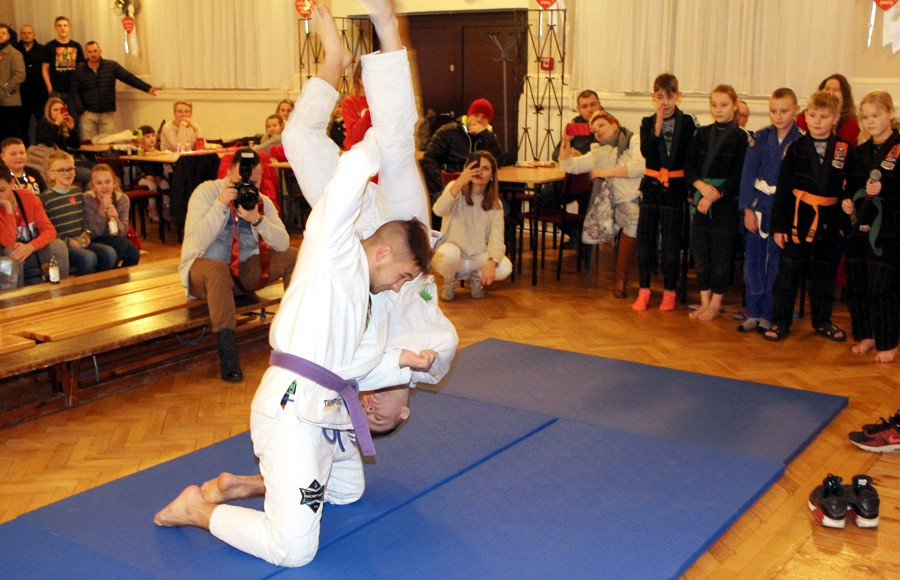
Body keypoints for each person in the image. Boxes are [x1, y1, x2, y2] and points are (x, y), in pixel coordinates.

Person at [154, 1, 441, 567]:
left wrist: (404, 365)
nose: (403, 283)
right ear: (389, 254)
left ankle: (267, 484)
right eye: (405, 275)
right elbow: (386, 146)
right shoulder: (340, 243)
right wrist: (383, 32)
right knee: (295, 550)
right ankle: (200, 509)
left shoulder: (370, 285)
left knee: (350, 490)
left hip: (328, 394)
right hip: (296, 401)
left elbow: (368, 353)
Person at [179, 148, 296, 382]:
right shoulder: (207, 192)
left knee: (293, 255)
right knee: (217, 270)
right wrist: (221, 205)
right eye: (243, 178)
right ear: (230, 171)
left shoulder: (260, 201)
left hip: (241, 274)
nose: (249, 184)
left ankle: (295, 336)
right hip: (204, 272)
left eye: (255, 179)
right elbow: (199, 241)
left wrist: (258, 220)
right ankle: (228, 354)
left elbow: (283, 243)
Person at [763, 91, 851, 342]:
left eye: (823, 117)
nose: (817, 121)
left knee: (824, 277)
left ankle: (823, 321)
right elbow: (783, 190)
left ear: (834, 118)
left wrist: (846, 218)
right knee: (787, 275)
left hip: (830, 224)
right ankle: (781, 321)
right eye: (812, 115)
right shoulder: (797, 148)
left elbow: (850, 188)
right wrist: (778, 226)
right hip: (796, 223)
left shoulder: (844, 149)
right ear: (805, 115)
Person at [737, 88, 803, 333]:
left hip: (784, 210)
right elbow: (748, 176)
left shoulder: (800, 141)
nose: (778, 116)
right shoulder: (760, 138)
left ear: (796, 110)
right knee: (753, 261)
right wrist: (747, 209)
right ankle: (754, 311)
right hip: (759, 205)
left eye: (784, 111)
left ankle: (769, 312)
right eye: (774, 111)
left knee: (776, 263)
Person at [560, 110, 644, 298]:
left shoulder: (633, 140)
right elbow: (568, 166)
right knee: (634, 220)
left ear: (615, 124)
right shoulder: (597, 152)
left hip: (646, 195)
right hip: (622, 200)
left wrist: (606, 172)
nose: (597, 131)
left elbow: (640, 167)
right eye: (593, 129)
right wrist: (566, 141)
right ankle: (620, 277)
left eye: (601, 125)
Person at [632, 73, 697, 312]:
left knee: (670, 243)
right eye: (660, 97)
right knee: (645, 240)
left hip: (675, 187)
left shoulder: (688, 122)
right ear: (653, 97)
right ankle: (644, 289)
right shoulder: (647, 122)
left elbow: (690, 158)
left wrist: (690, 188)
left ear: (678, 96)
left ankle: (670, 291)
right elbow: (648, 152)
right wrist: (657, 126)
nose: (665, 102)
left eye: (670, 97)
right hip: (651, 186)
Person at [684, 84, 749, 321]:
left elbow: (740, 173)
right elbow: (689, 166)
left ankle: (716, 303)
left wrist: (715, 194)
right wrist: (700, 187)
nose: (718, 110)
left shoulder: (741, 137)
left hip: (725, 202)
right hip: (701, 195)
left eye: (724, 105)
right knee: (701, 254)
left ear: (735, 106)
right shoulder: (701, 134)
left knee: (721, 256)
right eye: (714, 105)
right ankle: (704, 301)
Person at [842, 91, 900, 363]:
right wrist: (847, 203)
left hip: (889, 229)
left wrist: (885, 187)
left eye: (875, 115)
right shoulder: (860, 151)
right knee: (858, 284)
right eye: (865, 117)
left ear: (890, 113)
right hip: (859, 227)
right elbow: (851, 185)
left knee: (881, 287)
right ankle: (866, 334)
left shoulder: (899, 147)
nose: (870, 122)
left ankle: (889, 341)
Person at [432, 150, 513, 300]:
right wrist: (460, 181)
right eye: (477, 166)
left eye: (486, 168)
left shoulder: (496, 204)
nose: (480, 171)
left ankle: (476, 279)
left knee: (504, 267)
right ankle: (450, 280)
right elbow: (438, 210)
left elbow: (497, 239)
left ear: (492, 176)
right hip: (454, 257)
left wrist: (492, 262)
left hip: (477, 258)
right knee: (448, 253)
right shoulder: (455, 188)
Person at [39, 150, 116, 275]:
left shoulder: (77, 192)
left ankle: (98, 286)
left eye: (70, 169)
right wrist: (68, 241)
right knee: (88, 258)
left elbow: (83, 220)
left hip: (81, 241)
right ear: (51, 174)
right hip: (65, 246)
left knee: (109, 253)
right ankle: (79, 289)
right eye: (62, 170)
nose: (67, 173)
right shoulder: (45, 198)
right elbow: (45, 230)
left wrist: (87, 232)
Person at [421, 96, 507, 205]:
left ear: (488, 122)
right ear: (469, 116)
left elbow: (499, 161)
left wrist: (486, 135)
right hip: (447, 187)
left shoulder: (489, 137)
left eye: (484, 117)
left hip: (477, 190)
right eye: (476, 115)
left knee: (503, 207)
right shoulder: (448, 131)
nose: (479, 120)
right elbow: (429, 159)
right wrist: (444, 183)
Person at [70, 41, 158, 141]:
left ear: (100, 51)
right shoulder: (80, 69)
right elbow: (74, 91)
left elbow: (128, 77)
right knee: (91, 144)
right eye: (90, 52)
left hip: (107, 113)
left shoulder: (111, 66)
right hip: (88, 114)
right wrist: (82, 110)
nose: (93, 54)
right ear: (86, 53)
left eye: (95, 51)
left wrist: (147, 88)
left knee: (108, 142)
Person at [0, 161, 69, 287]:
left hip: (31, 251)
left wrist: (30, 247)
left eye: (2, 190)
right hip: (9, 256)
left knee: (58, 246)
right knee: (13, 253)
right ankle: (18, 301)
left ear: (12, 184)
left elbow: (50, 231)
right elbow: (8, 243)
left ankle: (62, 290)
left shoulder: (28, 197)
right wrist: (8, 209)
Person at [82, 163, 141, 269]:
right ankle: (106, 278)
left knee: (133, 253)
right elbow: (93, 232)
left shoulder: (123, 199)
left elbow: (122, 232)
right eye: (99, 183)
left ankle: (120, 279)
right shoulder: (87, 199)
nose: (104, 187)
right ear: (92, 186)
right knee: (117, 247)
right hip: (95, 239)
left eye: (108, 182)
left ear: (115, 183)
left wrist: (115, 218)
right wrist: (101, 212)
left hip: (116, 238)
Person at [41, 16, 84, 137]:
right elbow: (44, 69)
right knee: (57, 121)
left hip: (74, 91)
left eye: (65, 25)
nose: (62, 28)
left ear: (69, 27)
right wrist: (50, 89)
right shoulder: (49, 46)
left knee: (74, 121)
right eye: (59, 25)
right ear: (55, 28)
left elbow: (81, 68)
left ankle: (75, 148)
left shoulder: (76, 46)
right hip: (57, 91)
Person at [797, 74, 860, 145]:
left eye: (836, 90)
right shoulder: (796, 146)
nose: (830, 93)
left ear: (836, 118)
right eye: (827, 89)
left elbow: (844, 153)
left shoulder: (850, 122)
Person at [15, 24, 48, 147]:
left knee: (42, 124)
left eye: (29, 33)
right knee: (22, 126)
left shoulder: (42, 50)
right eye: (24, 33)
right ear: (20, 34)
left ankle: (42, 150)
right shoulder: (15, 50)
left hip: (40, 93)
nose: (26, 35)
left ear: (33, 34)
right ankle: (25, 151)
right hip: (21, 93)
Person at [552, 89, 604, 161]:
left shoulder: (609, 123)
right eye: (584, 106)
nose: (589, 110)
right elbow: (555, 153)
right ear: (579, 110)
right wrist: (568, 154)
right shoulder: (575, 123)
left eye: (593, 105)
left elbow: (608, 157)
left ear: (600, 105)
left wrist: (582, 158)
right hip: (577, 167)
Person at [133, 125, 170, 222]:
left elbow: (160, 167)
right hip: (142, 179)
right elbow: (137, 168)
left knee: (165, 184)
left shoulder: (158, 152)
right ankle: (152, 209)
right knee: (152, 186)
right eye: (147, 136)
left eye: (153, 136)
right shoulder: (140, 152)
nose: (151, 139)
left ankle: (166, 208)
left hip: (156, 177)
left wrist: (159, 176)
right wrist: (146, 176)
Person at [0, 23, 25, 141]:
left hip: (10, 101)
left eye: (3, 33)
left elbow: (20, 75)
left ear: (8, 36)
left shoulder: (15, 53)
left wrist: (6, 90)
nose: (0, 35)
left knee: (12, 134)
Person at [341, 61, 370, 150]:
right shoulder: (349, 102)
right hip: (357, 153)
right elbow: (356, 136)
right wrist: (369, 112)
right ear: (360, 79)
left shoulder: (380, 100)